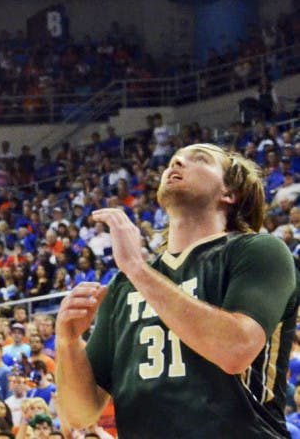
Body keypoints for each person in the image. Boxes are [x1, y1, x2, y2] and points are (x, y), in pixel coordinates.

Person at [55, 143, 299, 438]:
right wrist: (68, 343)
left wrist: (136, 267)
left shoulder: (258, 250)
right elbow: (80, 413)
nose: (179, 161)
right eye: (174, 159)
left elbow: (236, 350)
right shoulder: (124, 285)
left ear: (229, 194)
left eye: (200, 159)